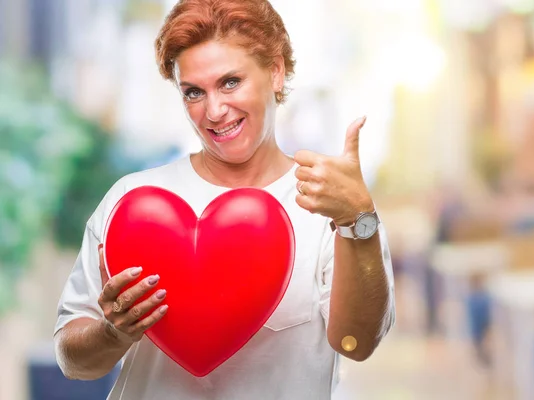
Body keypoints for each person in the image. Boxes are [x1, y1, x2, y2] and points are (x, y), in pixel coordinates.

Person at [53, 1, 396, 399]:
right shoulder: (133, 205)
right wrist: (113, 332)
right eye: (194, 92)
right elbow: (72, 362)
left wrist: (359, 222)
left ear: (276, 72)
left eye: (231, 82)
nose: (214, 111)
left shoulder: (329, 205)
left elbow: (357, 342)